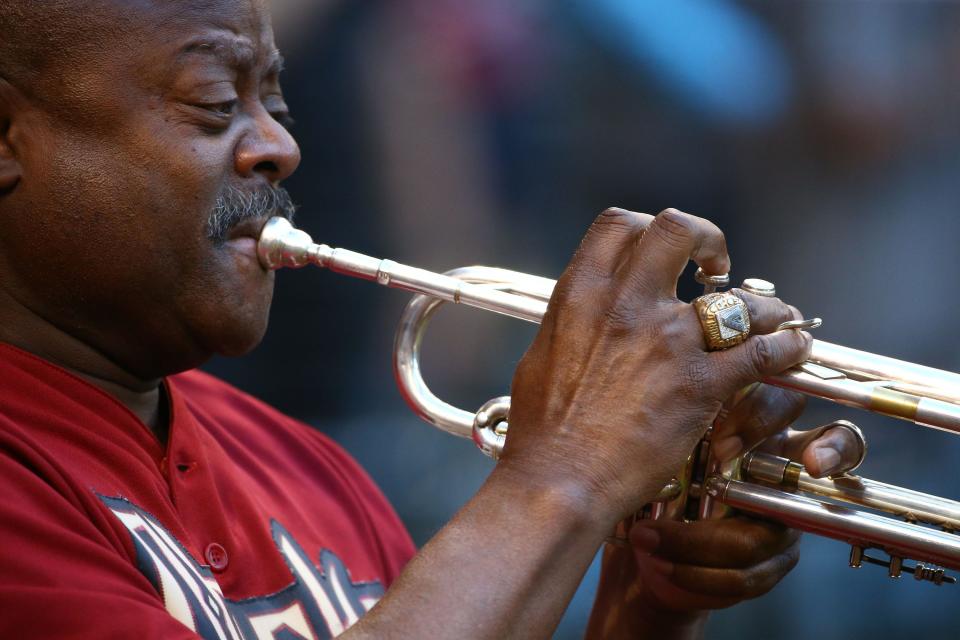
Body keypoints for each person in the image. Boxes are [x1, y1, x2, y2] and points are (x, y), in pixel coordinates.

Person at [0, 1, 862, 638]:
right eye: (215, 106)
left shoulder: (307, 471)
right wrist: (567, 474)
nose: (279, 147)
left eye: (277, 106)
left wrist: (645, 602)